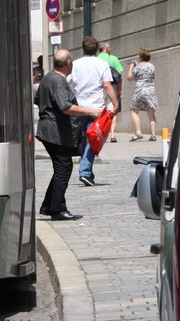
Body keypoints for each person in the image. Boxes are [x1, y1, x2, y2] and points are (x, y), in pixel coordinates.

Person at [35, 49, 101, 221]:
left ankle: (49, 206)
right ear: (69, 63)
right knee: (63, 168)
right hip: (55, 132)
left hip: (49, 130)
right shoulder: (58, 81)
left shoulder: (48, 78)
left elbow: (38, 99)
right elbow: (66, 107)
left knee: (61, 168)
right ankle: (57, 209)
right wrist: (91, 111)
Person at [69, 36, 118, 187]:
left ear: (82, 49)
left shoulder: (75, 65)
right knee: (93, 139)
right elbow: (106, 85)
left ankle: (88, 173)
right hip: (96, 108)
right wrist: (115, 103)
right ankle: (84, 171)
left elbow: (66, 82)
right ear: (97, 50)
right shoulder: (102, 64)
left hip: (78, 108)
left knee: (86, 139)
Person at [127, 47, 159, 141]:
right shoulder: (152, 66)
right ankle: (153, 135)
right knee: (151, 113)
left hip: (140, 91)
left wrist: (131, 68)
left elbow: (129, 77)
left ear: (140, 57)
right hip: (150, 91)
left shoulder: (138, 67)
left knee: (134, 110)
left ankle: (138, 133)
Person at [98, 41, 124, 142]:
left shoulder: (95, 59)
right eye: (110, 48)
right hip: (112, 87)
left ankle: (99, 132)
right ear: (107, 48)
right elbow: (119, 75)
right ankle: (112, 135)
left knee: (99, 111)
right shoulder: (113, 58)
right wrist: (120, 89)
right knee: (112, 111)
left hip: (99, 88)